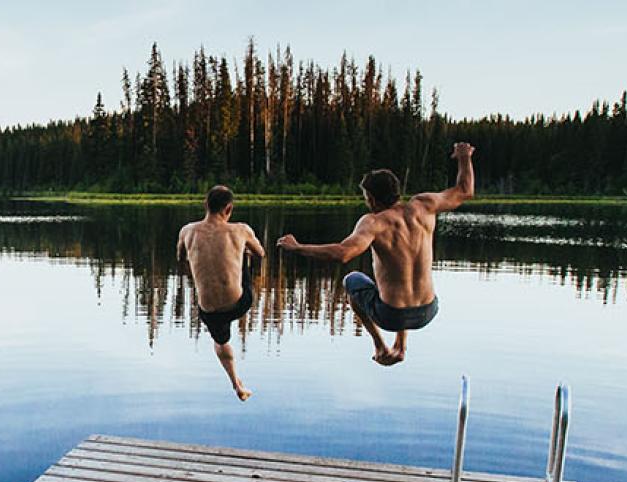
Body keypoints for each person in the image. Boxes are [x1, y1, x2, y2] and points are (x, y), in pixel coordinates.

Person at [277, 142, 476, 366]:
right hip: (428, 311)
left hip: (391, 316)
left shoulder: (374, 223)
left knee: (352, 280)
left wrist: (298, 247)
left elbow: (343, 254)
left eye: (365, 196)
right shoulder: (424, 205)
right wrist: (464, 157)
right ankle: (401, 346)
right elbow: (465, 190)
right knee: (399, 278)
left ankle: (380, 347)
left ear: (371, 198)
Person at [178, 185, 266, 401]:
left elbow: (180, 258)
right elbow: (261, 254)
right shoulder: (240, 229)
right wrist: (239, 251)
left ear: (205, 205)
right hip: (239, 302)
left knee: (221, 341)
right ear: (229, 209)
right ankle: (239, 386)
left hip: (209, 310)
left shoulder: (187, 231)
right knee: (244, 254)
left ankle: (236, 383)